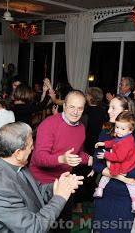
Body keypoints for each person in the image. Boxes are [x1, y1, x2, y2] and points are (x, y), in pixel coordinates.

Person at [0, 122, 84, 233]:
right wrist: (60, 197)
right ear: (18, 153)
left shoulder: (16, 165)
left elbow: (35, 191)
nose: (33, 148)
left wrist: (57, 187)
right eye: (30, 146)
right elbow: (33, 228)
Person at [29, 90, 93, 232]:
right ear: (64, 106)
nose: (76, 112)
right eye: (72, 107)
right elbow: (39, 158)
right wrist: (62, 158)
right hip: (41, 184)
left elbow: (77, 153)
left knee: (63, 226)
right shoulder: (49, 124)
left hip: (64, 182)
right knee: (41, 227)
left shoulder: (81, 128)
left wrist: (90, 159)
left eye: (80, 108)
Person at [93, 96, 135, 233]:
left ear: (126, 113)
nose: (109, 111)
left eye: (113, 108)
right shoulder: (105, 132)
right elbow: (97, 164)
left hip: (124, 197)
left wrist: (110, 167)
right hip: (103, 193)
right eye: (109, 107)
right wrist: (122, 177)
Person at [93, 111, 135, 213]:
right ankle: (100, 190)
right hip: (127, 161)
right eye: (117, 127)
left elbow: (119, 157)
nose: (118, 130)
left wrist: (106, 155)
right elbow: (114, 142)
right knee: (128, 183)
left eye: (122, 129)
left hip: (125, 164)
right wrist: (104, 143)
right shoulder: (123, 136)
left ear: (130, 130)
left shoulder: (127, 143)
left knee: (109, 175)